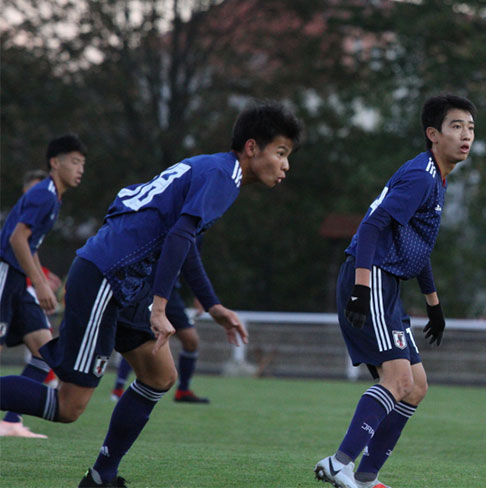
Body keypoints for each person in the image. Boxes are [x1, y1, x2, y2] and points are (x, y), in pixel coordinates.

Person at [0, 101, 301, 487]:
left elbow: (185, 241)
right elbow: (179, 236)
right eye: (281, 153)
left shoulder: (214, 169)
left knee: (160, 376)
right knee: (69, 406)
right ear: (251, 147)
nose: (286, 165)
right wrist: (160, 308)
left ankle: (101, 475)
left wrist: (213, 305)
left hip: (126, 283)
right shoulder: (225, 177)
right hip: (106, 278)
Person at [314, 94, 476, 488]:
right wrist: (361, 289)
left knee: (416, 387)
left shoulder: (435, 179)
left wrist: (434, 305)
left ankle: (366, 477)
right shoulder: (422, 177)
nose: (466, 135)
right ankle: (338, 464)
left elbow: (417, 249)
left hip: (387, 285)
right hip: (372, 279)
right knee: (398, 381)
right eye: (456, 126)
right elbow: (370, 227)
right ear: (432, 134)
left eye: (471, 128)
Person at [0, 139, 86, 438]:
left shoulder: (53, 197)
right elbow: (16, 239)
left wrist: (40, 279)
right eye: (74, 161)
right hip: (5, 275)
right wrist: (38, 282)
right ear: (55, 162)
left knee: (43, 348)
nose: (80, 169)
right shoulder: (45, 195)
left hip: (19, 281)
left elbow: (29, 243)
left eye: (83, 163)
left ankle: (10, 421)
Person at [112, 281, 210, 404]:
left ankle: (183, 391)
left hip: (170, 293)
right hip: (148, 291)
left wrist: (205, 299)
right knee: (138, 341)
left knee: (191, 341)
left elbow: (191, 266)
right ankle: (118, 387)